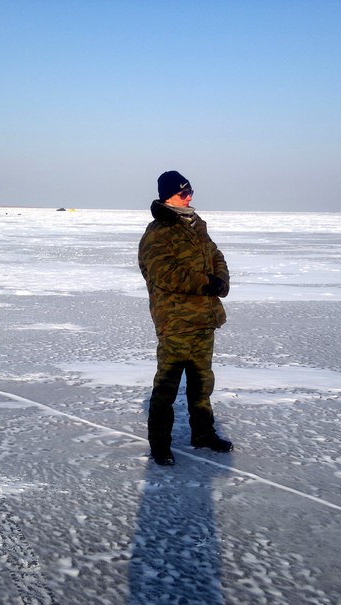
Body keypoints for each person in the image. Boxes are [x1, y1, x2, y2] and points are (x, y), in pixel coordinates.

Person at [138, 170, 234, 466]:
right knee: (167, 386)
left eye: (190, 191)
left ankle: (203, 433)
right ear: (168, 196)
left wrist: (221, 282)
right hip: (176, 321)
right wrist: (206, 283)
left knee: (202, 383)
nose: (189, 197)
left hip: (204, 317)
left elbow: (216, 256)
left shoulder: (196, 225)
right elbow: (164, 273)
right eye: (183, 193)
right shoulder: (158, 232)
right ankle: (160, 445)